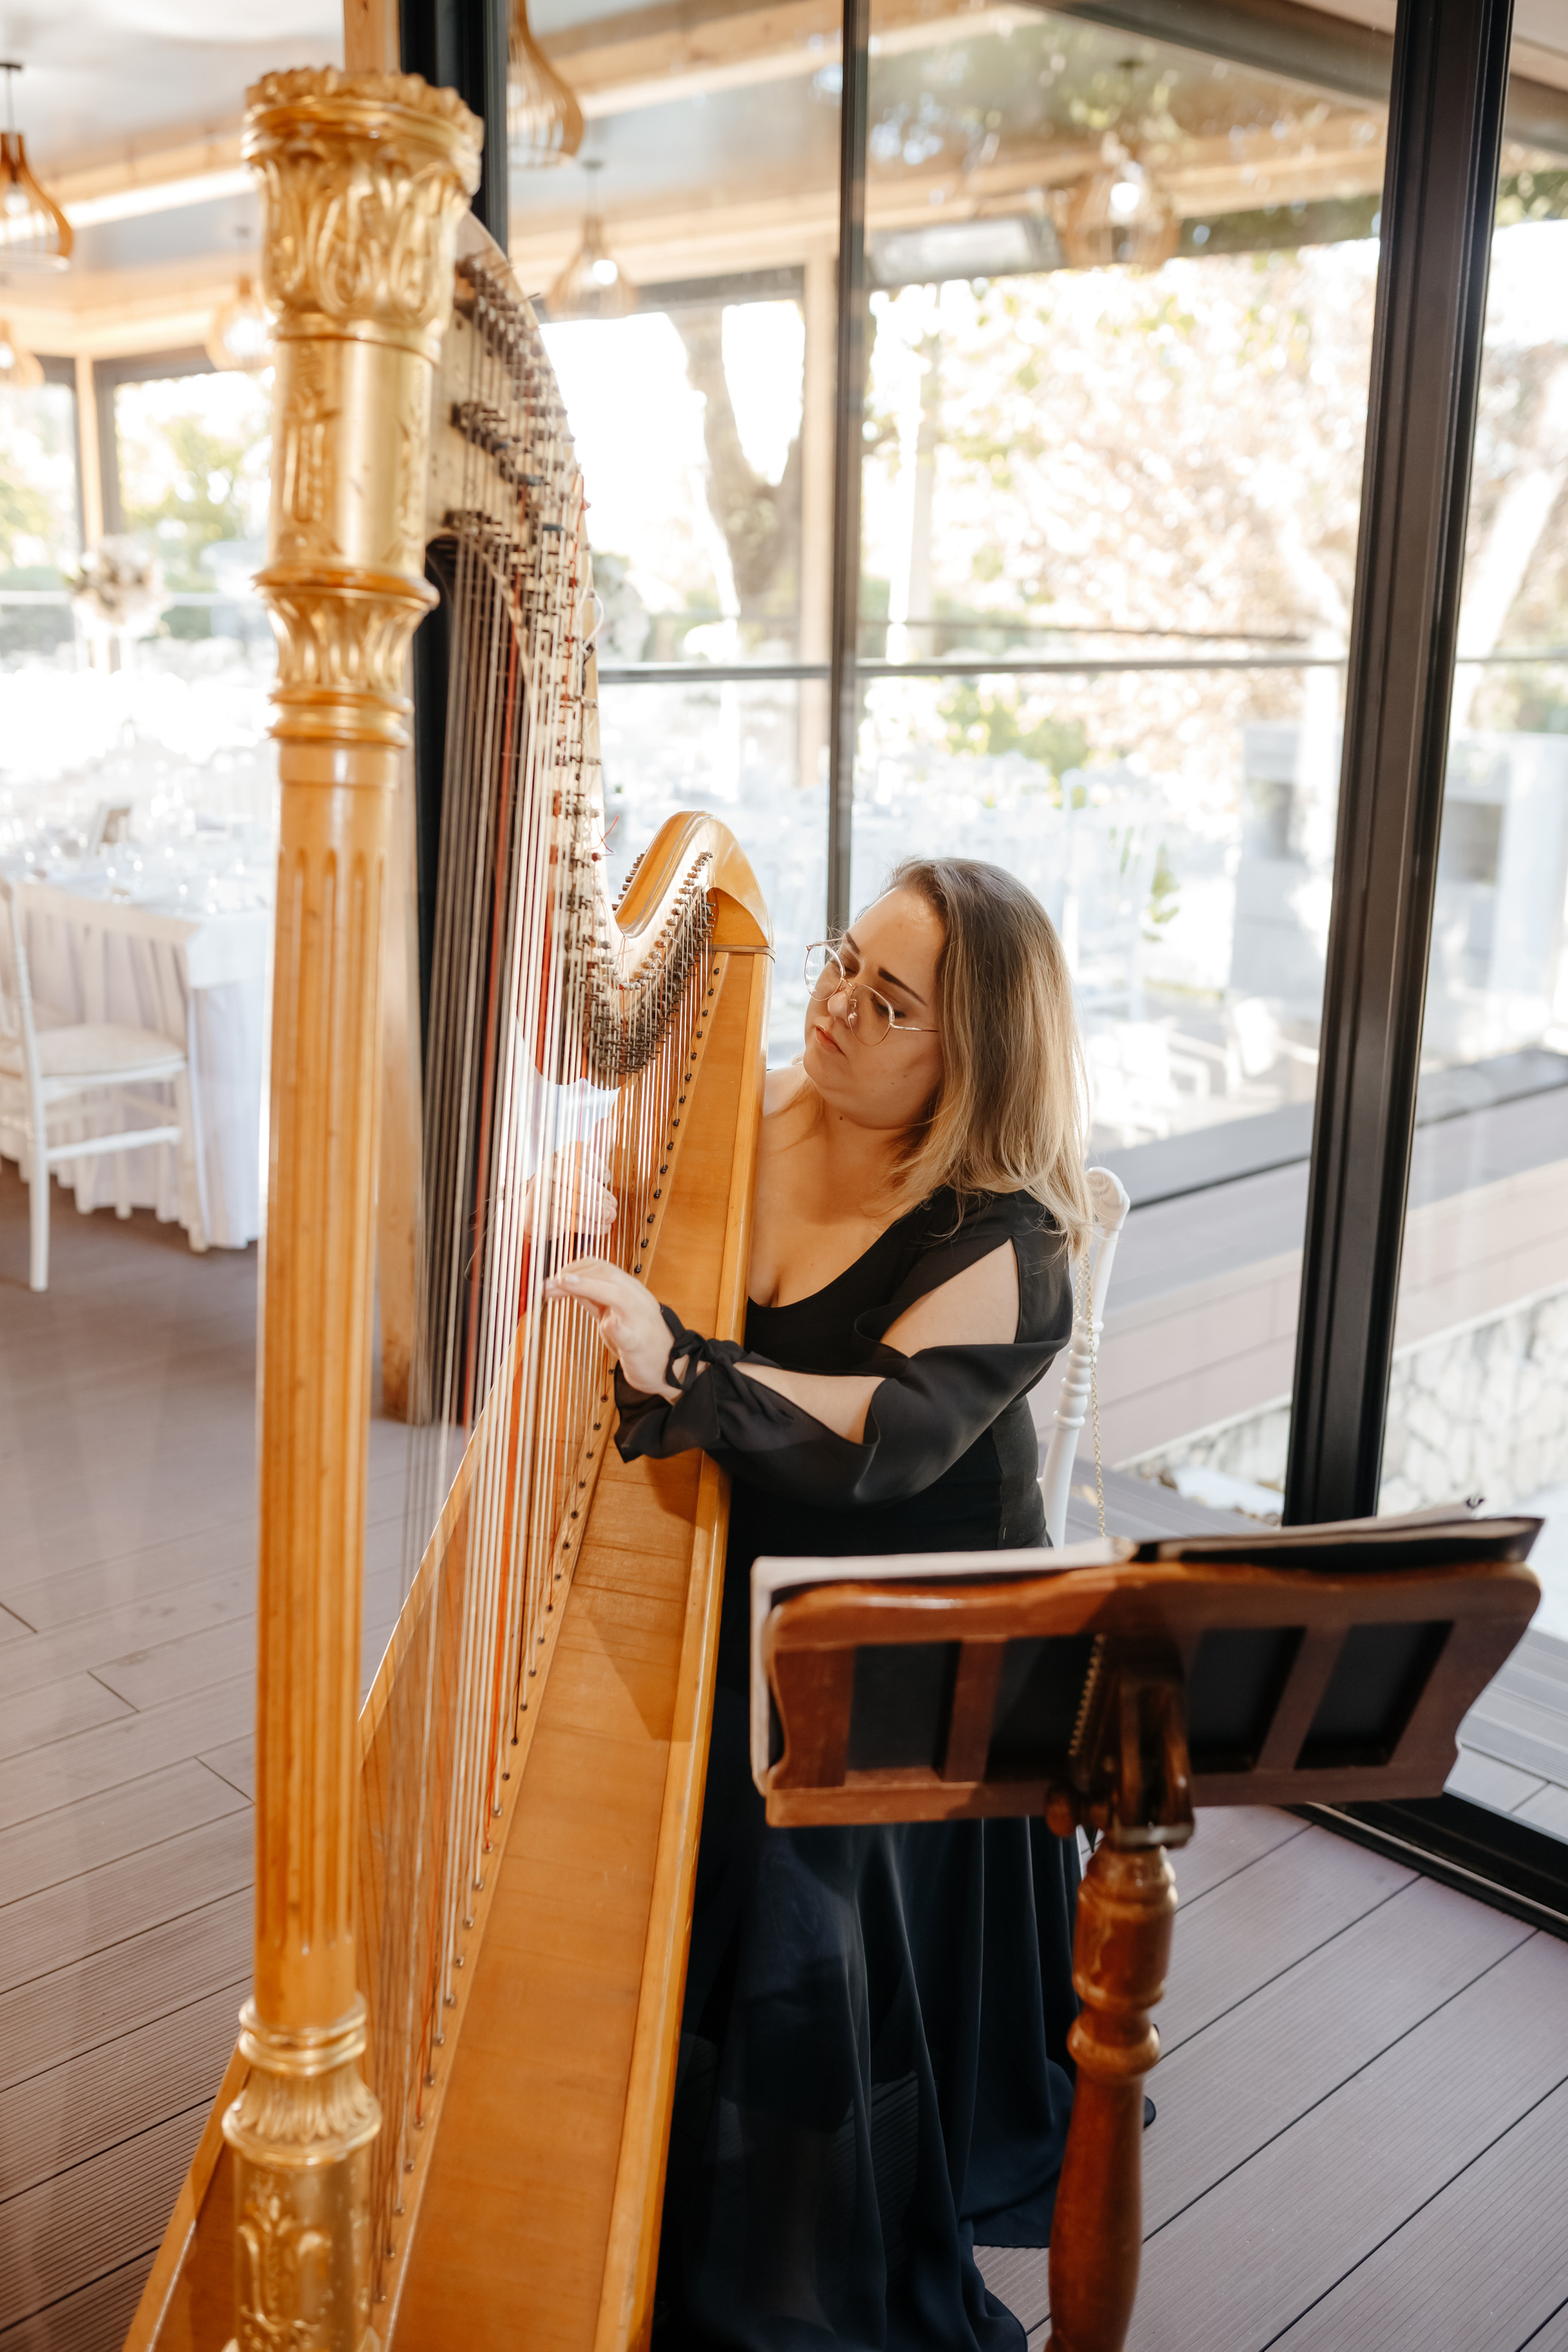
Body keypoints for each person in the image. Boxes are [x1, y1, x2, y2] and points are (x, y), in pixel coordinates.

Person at [546, 857, 1093, 2352]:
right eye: (841, 962)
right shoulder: (748, 1111)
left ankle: (786, 2269)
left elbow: (888, 1436)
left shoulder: (1006, 1241)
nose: (836, 1005)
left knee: (782, 1873)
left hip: (903, 1629)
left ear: (966, 1058)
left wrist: (689, 1369)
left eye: (887, 998)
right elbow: (638, 1263)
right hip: (749, 1550)